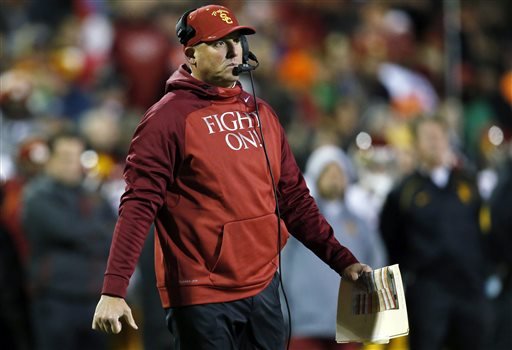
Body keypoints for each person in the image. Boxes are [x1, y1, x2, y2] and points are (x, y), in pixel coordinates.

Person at [92, 5, 371, 350]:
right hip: (201, 293)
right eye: (219, 43)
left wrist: (342, 261)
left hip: (263, 285)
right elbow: (138, 206)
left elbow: (295, 200)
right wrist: (114, 289)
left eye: (237, 41)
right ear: (191, 54)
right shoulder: (166, 119)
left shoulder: (262, 113)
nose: (233, 50)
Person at [379, 116, 491, 350]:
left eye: (439, 136)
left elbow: (484, 234)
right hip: (428, 290)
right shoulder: (404, 191)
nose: (435, 142)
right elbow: (391, 241)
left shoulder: (468, 184)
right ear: (416, 144)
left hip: (469, 287)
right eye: (428, 137)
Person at [282, 145, 387, 350]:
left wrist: (375, 312)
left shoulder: (362, 223)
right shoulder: (299, 223)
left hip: (349, 326)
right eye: (327, 172)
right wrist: (283, 311)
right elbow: (281, 266)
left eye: (339, 172)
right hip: (303, 323)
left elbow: (377, 263)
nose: (334, 177)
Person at [22, 131, 115, 350]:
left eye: (77, 157)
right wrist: (97, 233)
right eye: (65, 157)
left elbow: (118, 235)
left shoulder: (93, 196)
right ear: (50, 159)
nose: (72, 165)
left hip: (94, 300)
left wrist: (90, 235)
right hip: (55, 300)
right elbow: (67, 230)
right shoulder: (36, 196)